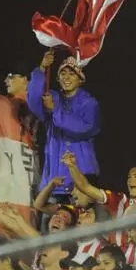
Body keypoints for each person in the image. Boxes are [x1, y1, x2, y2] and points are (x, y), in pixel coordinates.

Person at [26, 49, 101, 197]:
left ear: (80, 79)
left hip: (81, 185)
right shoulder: (53, 97)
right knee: (50, 221)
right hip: (53, 184)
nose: (66, 77)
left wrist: (55, 110)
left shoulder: (89, 103)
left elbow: (85, 128)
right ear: (58, 78)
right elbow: (34, 102)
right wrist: (42, 69)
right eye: (63, 73)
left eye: (72, 74)